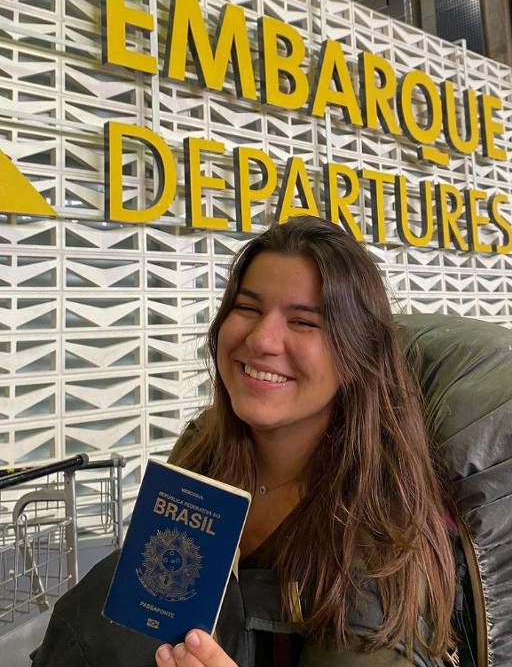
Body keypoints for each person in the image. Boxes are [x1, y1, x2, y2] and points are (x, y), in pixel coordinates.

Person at [32, 216, 455, 667]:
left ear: (358, 353)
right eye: (248, 309)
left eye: (304, 321)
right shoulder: (203, 450)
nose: (261, 339)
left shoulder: (383, 535)